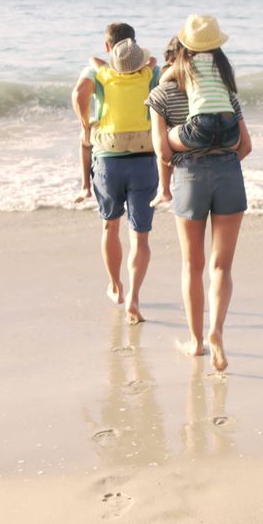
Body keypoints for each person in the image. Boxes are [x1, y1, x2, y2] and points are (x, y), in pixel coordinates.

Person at [146, 33, 252, 373]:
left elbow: (162, 151)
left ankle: (196, 342)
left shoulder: (161, 94)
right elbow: (245, 146)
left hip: (190, 179)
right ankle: (217, 332)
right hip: (229, 175)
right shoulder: (225, 95)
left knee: (193, 265)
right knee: (221, 266)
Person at [71, 23, 160, 324]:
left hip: (108, 161)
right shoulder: (149, 73)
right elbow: (156, 73)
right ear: (135, 46)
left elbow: (79, 92)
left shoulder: (101, 73)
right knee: (141, 235)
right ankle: (134, 298)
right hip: (144, 159)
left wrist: (86, 123)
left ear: (109, 49)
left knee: (110, 227)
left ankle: (115, 286)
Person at [150, 14, 239, 209]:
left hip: (200, 128)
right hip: (230, 131)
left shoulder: (186, 64)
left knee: (167, 136)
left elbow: (162, 81)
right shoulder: (223, 67)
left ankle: (164, 190)